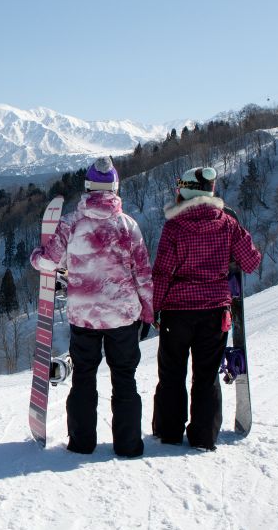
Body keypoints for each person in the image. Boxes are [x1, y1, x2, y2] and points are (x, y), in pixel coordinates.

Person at [29, 157, 154, 457]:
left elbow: (48, 262)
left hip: (84, 318)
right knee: (124, 378)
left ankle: (82, 443)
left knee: (84, 378)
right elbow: (144, 275)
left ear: (87, 187)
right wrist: (149, 311)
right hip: (123, 318)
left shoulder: (72, 224)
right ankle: (128, 445)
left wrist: (36, 255)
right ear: (115, 188)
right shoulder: (127, 226)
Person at [151, 166, 261, 451]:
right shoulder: (227, 224)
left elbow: (162, 272)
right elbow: (250, 262)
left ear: (186, 191)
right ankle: (204, 435)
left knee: (172, 373)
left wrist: (153, 308)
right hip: (215, 311)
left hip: (177, 311)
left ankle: (169, 432)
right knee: (207, 375)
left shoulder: (174, 226)